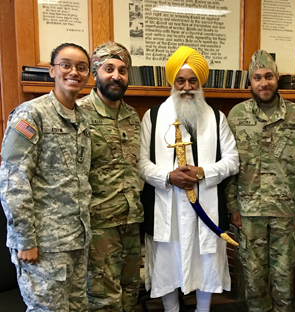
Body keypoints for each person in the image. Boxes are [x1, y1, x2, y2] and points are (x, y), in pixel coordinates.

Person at [139, 46, 239, 312]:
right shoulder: (154, 115)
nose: (186, 87)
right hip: (166, 205)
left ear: (200, 83)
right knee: (167, 262)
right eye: (180, 80)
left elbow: (232, 161)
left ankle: (203, 309)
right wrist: (168, 176)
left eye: (192, 80)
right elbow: (141, 164)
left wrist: (203, 172)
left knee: (207, 260)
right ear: (172, 82)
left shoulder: (217, 118)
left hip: (205, 206)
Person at [0, 43, 92, 311]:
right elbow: (12, 182)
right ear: (52, 70)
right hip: (44, 245)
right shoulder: (30, 115)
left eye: (81, 67)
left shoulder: (83, 119)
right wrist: (25, 240)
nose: (73, 71)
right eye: (66, 65)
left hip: (77, 240)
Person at [226, 50, 295, 312]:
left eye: (268, 76)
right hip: (249, 212)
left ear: (277, 78)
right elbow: (230, 166)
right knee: (253, 279)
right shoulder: (237, 115)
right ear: (250, 82)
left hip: (285, 212)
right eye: (257, 77)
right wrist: (232, 207)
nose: (263, 82)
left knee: (283, 277)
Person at [77, 41, 143, 312]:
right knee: (104, 297)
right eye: (109, 69)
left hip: (131, 219)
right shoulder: (79, 112)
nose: (116, 76)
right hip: (99, 223)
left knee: (131, 291)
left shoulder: (131, 115)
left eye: (122, 70)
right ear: (95, 72)